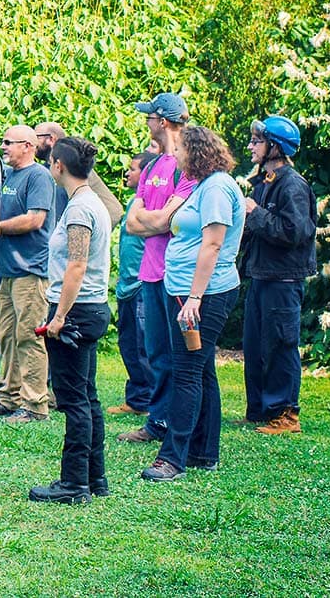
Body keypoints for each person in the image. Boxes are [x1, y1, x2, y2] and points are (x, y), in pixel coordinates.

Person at [142, 126, 246, 482]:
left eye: (181, 150)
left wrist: (195, 298)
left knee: (186, 372)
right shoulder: (204, 186)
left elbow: (213, 245)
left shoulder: (217, 188)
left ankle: (172, 459)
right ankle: (204, 452)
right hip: (186, 292)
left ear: (197, 152)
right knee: (201, 371)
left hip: (205, 295)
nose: (176, 156)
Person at [29, 137, 113, 504]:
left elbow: (76, 265)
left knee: (74, 401)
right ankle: (95, 478)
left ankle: (74, 484)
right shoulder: (92, 202)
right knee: (88, 397)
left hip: (75, 312)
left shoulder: (79, 209)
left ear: (59, 165)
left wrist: (59, 316)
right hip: (92, 307)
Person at [119, 93, 195, 444]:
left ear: (162, 121)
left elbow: (169, 220)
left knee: (179, 355)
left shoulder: (186, 165)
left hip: (176, 274)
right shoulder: (150, 167)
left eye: (149, 117)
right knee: (156, 353)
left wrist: (153, 220)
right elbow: (132, 223)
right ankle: (157, 422)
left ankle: (177, 424)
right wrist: (156, 220)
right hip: (148, 273)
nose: (146, 122)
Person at [239, 115, 317, 435]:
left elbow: (294, 232)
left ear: (275, 147)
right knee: (255, 346)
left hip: (283, 279)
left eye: (257, 141)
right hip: (261, 275)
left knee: (281, 345)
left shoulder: (293, 185)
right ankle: (259, 410)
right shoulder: (264, 183)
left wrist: (255, 213)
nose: (250, 146)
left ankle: (286, 414)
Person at [0, 124, 56, 424]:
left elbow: (35, 219)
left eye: (8, 142)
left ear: (28, 146)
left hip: (31, 271)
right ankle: (10, 397)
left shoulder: (39, 176)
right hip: (7, 271)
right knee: (7, 336)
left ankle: (35, 404)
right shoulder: (8, 175)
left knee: (29, 337)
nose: (3, 146)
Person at [109, 151, 156, 416]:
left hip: (141, 285)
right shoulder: (133, 202)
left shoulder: (152, 204)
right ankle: (137, 399)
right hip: (126, 285)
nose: (128, 173)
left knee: (142, 346)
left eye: (133, 169)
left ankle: (150, 401)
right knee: (128, 345)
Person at [34, 121, 124, 225]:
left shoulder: (73, 166)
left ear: (51, 139)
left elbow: (114, 211)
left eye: (36, 137)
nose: (33, 143)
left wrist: (86, 231)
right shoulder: (47, 169)